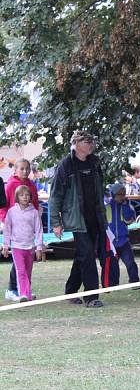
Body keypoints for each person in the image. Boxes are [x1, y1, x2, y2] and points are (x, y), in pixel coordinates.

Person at [49, 130, 107, 308]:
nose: (91, 144)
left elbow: (100, 190)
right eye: (86, 141)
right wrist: (56, 222)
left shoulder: (95, 163)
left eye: (91, 141)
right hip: (76, 219)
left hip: (95, 217)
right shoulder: (66, 165)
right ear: (77, 144)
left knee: (84, 255)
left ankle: (70, 290)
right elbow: (55, 195)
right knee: (88, 255)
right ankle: (91, 297)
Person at [0, 158, 40, 302]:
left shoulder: (32, 185)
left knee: (24, 262)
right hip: (13, 226)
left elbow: (35, 205)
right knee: (18, 261)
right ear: (15, 170)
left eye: (27, 169)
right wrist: (5, 220)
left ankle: (22, 289)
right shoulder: (11, 185)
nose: (25, 171)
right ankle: (13, 289)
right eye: (22, 168)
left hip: (27, 227)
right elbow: (3, 204)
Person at [100, 183, 140, 289]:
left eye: (123, 194)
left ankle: (135, 282)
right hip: (111, 243)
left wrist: (125, 205)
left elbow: (130, 219)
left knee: (130, 263)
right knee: (113, 266)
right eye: (119, 194)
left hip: (124, 241)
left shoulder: (127, 206)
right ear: (113, 195)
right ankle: (113, 284)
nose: (122, 196)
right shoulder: (107, 207)